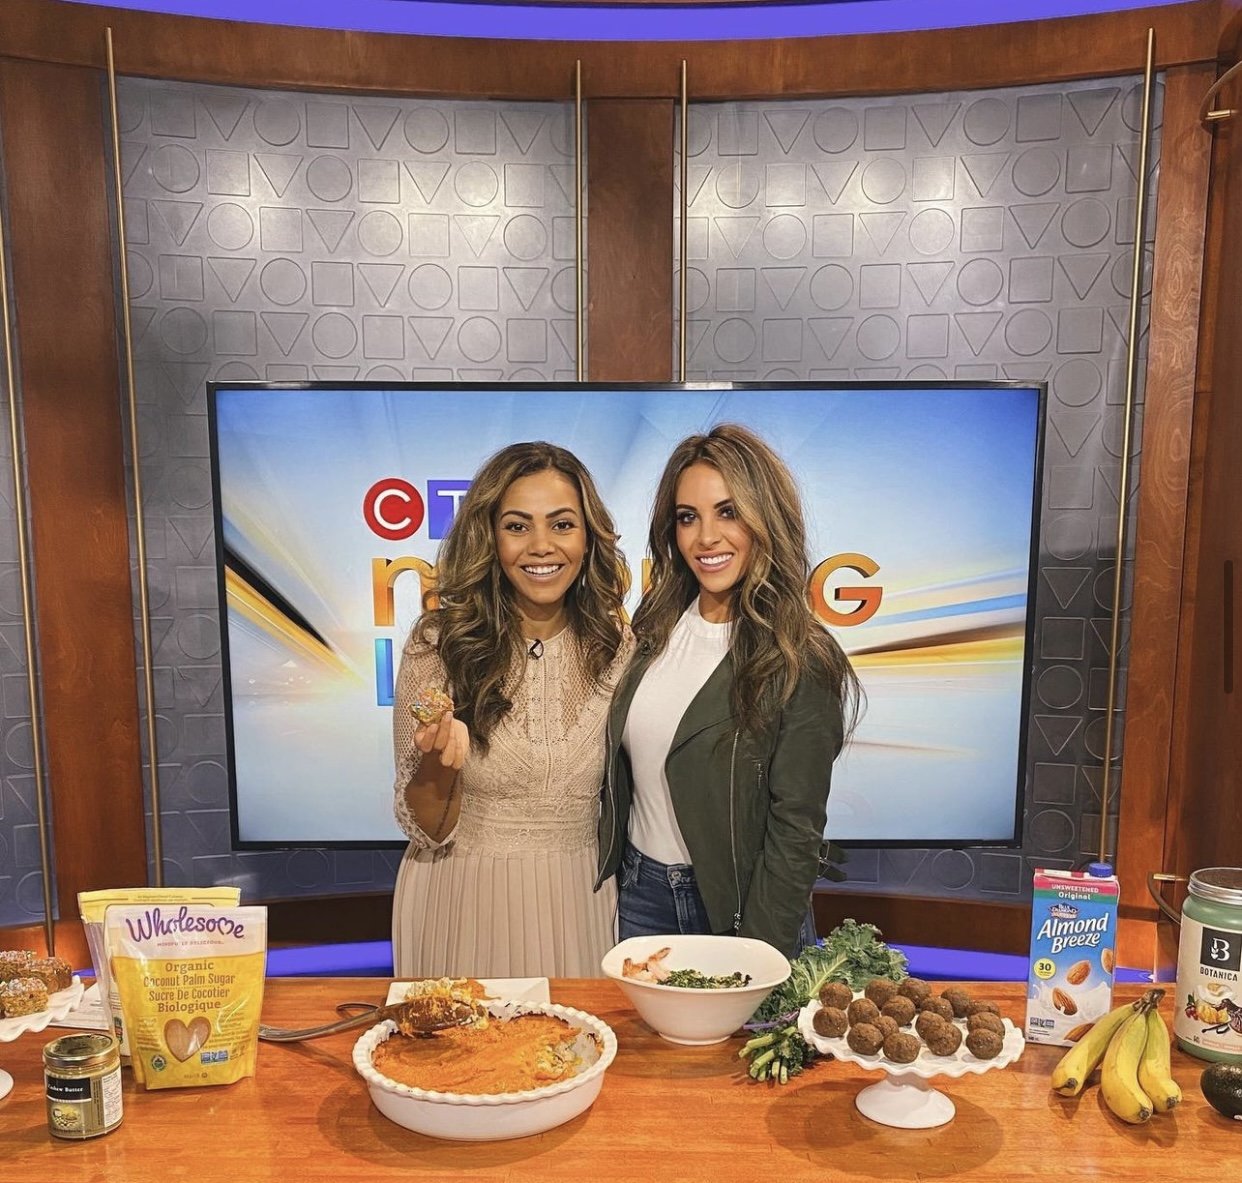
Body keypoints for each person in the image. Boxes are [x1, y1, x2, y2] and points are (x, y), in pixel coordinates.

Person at [595, 423, 860, 957]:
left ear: (765, 517)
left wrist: (758, 950)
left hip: (738, 908)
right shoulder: (653, 626)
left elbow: (796, 829)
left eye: (728, 512)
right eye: (687, 517)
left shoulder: (800, 656)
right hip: (641, 895)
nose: (706, 537)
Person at [391, 441, 633, 978]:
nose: (541, 546)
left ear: (588, 537)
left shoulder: (619, 647)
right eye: (518, 526)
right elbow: (427, 829)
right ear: (490, 537)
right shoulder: (438, 645)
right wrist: (438, 764)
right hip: (462, 897)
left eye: (562, 525)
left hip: (580, 898)